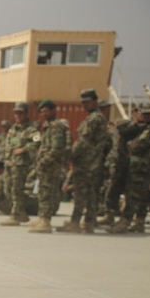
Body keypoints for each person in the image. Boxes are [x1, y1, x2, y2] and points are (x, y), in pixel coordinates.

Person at [109, 103, 150, 234]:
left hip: (143, 167)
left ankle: (125, 221)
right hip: (140, 166)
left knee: (133, 194)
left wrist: (130, 142)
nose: (146, 117)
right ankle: (139, 222)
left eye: (149, 114)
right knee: (142, 194)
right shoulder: (144, 127)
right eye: (144, 114)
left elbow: (136, 145)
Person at [59, 89, 110, 234]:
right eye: (83, 103)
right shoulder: (99, 118)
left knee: (81, 193)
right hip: (95, 162)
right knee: (92, 194)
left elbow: (83, 142)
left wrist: (71, 156)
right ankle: (89, 222)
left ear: (94, 100)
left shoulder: (94, 119)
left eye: (87, 102)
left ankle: (75, 222)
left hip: (87, 163)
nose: (85, 105)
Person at [27, 100, 71, 233]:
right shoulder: (47, 126)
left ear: (53, 110)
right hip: (44, 165)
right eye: (41, 112)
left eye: (46, 111)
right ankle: (42, 218)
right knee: (42, 192)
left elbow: (56, 149)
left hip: (50, 166)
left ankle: (45, 221)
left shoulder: (56, 126)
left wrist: (43, 162)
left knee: (47, 192)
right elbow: (38, 143)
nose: (43, 114)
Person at [0, 102, 38, 226]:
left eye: (20, 113)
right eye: (16, 113)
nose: (17, 115)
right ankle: (21, 213)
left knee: (17, 190)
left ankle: (15, 216)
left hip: (21, 164)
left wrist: (24, 149)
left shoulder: (32, 130)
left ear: (26, 113)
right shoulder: (12, 129)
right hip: (9, 163)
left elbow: (37, 142)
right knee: (7, 189)